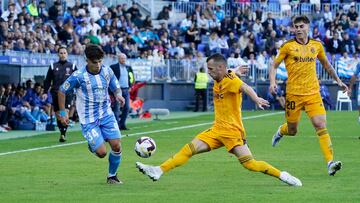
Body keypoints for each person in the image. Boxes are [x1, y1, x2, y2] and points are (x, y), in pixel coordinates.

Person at [136, 53, 302, 187]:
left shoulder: (231, 80)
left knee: (250, 164)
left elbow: (245, 87)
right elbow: (229, 72)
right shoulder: (223, 75)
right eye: (208, 68)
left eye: (211, 69)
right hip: (217, 130)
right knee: (189, 149)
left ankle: (282, 175)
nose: (209, 72)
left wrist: (256, 98)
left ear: (220, 68)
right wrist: (235, 70)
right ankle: (158, 170)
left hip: (232, 131)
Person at [269, 15, 348, 176]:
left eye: (301, 26)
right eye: (295, 27)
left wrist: (338, 81)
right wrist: (272, 82)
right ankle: (281, 131)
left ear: (308, 27)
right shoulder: (287, 46)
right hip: (293, 94)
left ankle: (330, 163)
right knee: (292, 130)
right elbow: (274, 65)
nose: (298, 29)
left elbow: (326, 64)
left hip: (313, 93)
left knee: (320, 124)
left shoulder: (317, 45)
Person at [58, 44, 125, 184]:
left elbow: (115, 86)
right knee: (101, 153)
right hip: (88, 119)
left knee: (117, 145)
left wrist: (118, 95)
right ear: (86, 60)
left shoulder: (107, 72)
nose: (98, 65)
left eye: (101, 61)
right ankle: (93, 145)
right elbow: (62, 90)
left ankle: (112, 176)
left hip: (106, 114)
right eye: (95, 62)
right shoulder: (78, 76)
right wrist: (63, 112)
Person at [43, 46, 77, 142]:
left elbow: (78, 79)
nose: (63, 54)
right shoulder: (53, 66)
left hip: (68, 93)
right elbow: (48, 80)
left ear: (67, 54)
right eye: (61, 53)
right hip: (55, 93)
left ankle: (63, 134)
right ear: (58, 54)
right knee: (58, 115)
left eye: (64, 53)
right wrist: (45, 92)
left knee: (64, 113)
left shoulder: (72, 66)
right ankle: (62, 131)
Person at [110, 53, 134, 130]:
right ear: (118, 59)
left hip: (126, 89)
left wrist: (130, 86)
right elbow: (110, 79)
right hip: (117, 91)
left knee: (127, 107)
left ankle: (122, 124)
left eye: (124, 58)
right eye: (122, 58)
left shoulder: (128, 67)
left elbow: (132, 77)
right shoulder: (113, 67)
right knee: (116, 108)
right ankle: (116, 125)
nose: (123, 60)